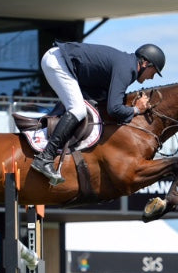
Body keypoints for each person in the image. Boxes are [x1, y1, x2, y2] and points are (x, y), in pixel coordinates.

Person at [31, 42, 165, 185]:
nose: (152, 78)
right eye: (154, 72)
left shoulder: (127, 65)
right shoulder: (127, 69)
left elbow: (106, 100)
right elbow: (114, 109)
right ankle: (45, 158)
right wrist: (137, 109)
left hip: (63, 62)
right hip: (58, 61)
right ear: (145, 63)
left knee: (92, 102)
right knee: (78, 110)